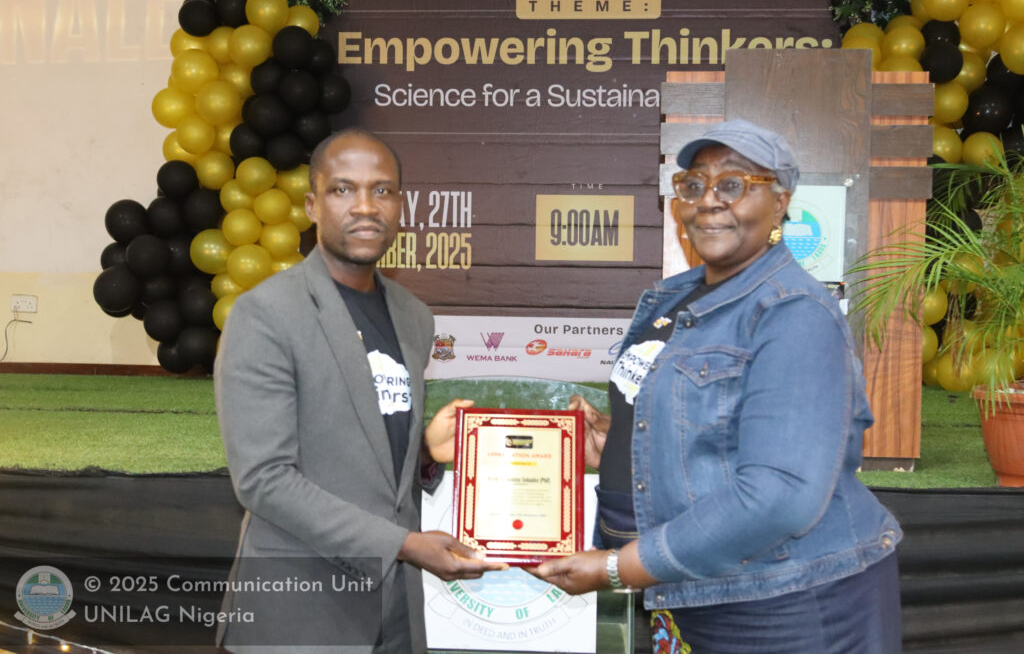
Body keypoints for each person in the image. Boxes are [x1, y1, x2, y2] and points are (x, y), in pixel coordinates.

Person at [529, 119, 903, 654]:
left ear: (780, 202)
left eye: (733, 184)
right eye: (694, 184)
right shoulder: (674, 299)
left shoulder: (793, 312)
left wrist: (619, 567)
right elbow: (705, 424)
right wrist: (624, 444)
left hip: (785, 603)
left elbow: (781, 494)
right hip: (696, 592)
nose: (708, 200)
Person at [214, 129, 505, 653]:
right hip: (301, 617)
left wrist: (424, 452)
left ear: (400, 206)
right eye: (343, 189)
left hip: (397, 616)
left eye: (382, 190)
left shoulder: (414, 317)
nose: (366, 206)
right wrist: (404, 545)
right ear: (312, 205)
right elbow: (264, 480)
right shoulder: (266, 314)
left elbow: (368, 446)